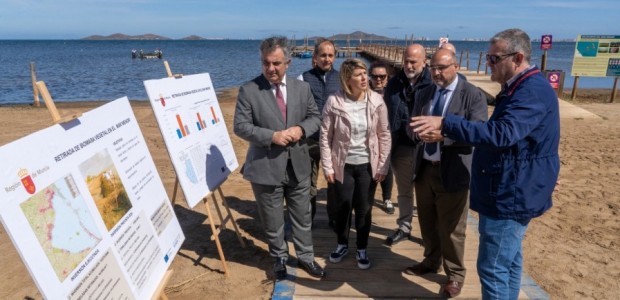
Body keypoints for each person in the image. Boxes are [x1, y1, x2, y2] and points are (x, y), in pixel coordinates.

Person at [410, 28, 560, 299]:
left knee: (492, 269)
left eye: (493, 58)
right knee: (509, 262)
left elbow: (502, 134)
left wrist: (447, 124)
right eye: (487, 57)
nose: (488, 63)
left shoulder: (531, 91)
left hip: (509, 194)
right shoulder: (519, 88)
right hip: (511, 186)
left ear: (517, 58)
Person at [233, 36, 325, 280]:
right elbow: (240, 126)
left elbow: (315, 117)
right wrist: (271, 136)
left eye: (276, 63)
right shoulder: (249, 90)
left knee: (303, 217)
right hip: (265, 167)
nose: (270, 69)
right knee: (272, 220)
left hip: (299, 165)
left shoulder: (302, 88)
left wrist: (301, 130)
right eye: (265, 63)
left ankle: (306, 258)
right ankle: (279, 259)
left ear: (288, 62)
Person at [404, 48, 488, 298]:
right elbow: (412, 125)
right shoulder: (426, 91)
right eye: (433, 68)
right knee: (427, 222)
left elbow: (479, 131)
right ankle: (431, 261)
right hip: (425, 168)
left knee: (452, 228)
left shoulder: (472, 95)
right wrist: (417, 133)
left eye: (442, 68)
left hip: (453, 170)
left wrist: (444, 136)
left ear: (455, 67)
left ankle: (455, 275)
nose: (436, 73)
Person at [319, 58, 391, 270]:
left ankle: (362, 247)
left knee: (364, 209)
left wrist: (383, 166)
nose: (365, 78)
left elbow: (384, 134)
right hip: (343, 165)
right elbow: (325, 136)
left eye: (364, 74)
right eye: (359, 75)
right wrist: (328, 167)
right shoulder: (334, 101)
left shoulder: (377, 101)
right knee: (342, 208)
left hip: (368, 165)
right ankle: (342, 244)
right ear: (347, 79)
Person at [383, 44, 432, 246]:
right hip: (401, 145)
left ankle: (430, 234)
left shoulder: (433, 84)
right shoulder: (394, 83)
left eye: (414, 61)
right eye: (406, 61)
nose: (409, 65)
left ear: (424, 62)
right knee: (404, 190)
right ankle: (404, 226)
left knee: (427, 193)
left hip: (426, 147)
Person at [300, 38, 340, 225]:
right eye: (323, 55)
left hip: (334, 140)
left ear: (335, 57)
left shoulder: (342, 79)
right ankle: (309, 219)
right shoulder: (303, 78)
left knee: (334, 182)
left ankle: (334, 218)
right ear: (315, 57)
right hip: (310, 139)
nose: (327, 59)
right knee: (309, 184)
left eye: (330, 55)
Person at [367, 61, 395, 214]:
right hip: (370, 137)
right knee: (371, 166)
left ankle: (387, 198)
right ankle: (367, 199)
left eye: (382, 76)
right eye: (374, 76)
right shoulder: (365, 93)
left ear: (387, 77)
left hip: (387, 135)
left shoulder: (392, 93)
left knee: (387, 165)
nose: (378, 79)